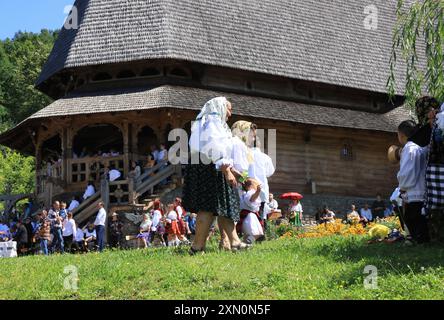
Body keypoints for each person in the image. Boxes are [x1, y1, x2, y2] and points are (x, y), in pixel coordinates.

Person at [183, 97, 250, 254]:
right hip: (210, 168)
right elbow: (214, 148)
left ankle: (235, 242)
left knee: (222, 206)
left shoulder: (206, 120)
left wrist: (233, 171)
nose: (230, 113)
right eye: (229, 109)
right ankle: (197, 247)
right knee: (207, 207)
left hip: (210, 166)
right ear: (220, 107)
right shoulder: (212, 120)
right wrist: (227, 171)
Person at [397, 120, 430, 244]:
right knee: (419, 217)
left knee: (412, 217)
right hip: (421, 188)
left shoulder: (409, 148)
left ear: (402, 135)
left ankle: (419, 240)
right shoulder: (419, 147)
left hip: (414, 190)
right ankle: (421, 239)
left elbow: (407, 171)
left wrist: (403, 185)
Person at [418, 98, 444, 243]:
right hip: (437, 170)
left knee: (436, 206)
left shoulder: (439, 124)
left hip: (438, 169)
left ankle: (437, 238)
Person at [238, 178, 264, 244]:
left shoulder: (244, 193)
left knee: (248, 234)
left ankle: (244, 244)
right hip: (249, 217)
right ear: (251, 186)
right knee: (255, 233)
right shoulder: (251, 192)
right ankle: (247, 242)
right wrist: (257, 192)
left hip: (246, 215)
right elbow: (251, 199)